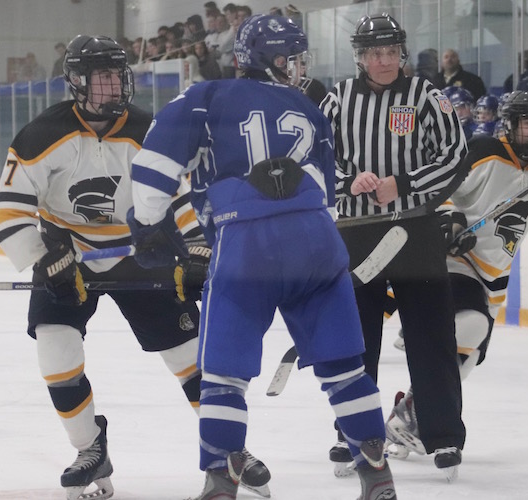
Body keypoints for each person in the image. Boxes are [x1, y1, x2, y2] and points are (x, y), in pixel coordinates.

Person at [128, 15, 397, 500]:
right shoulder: (311, 109)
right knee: (346, 369)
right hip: (318, 244)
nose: (298, 68)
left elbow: (153, 169)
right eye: (292, 59)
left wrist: (148, 225)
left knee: (223, 376)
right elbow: (326, 199)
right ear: (271, 61)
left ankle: (220, 477)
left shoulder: (205, 96)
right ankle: (375, 469)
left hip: (246, 244)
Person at [0, 34, 269, 500]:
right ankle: (89, 448)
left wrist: (198, 246)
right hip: (67, 254)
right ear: (77, 82)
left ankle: (229, 448)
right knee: (56, 350)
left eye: (118, 76)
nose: (115, 85)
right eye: (103, 77)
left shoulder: (149, 130)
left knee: (189, 356)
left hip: (142, 251)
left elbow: (180, 197)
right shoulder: (41, 135)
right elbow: (9, 213)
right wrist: (44, 259)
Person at [384, 91, 528, 459]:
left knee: (466, 360)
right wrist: (451, 220)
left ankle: (409, 415)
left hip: (492, 282)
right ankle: (416, 406)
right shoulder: (484, 150)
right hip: (452, 261)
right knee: (472, 325)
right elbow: (437, 186)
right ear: (510, 124)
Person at [320, 12, 468, 481]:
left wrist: (401, 184)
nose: (383, 61)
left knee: (432, 337)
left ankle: (443, 435)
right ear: (360, 57)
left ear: (401, 52)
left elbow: (455, 156)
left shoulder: (427, 96)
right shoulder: (338, 99)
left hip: (416, 231)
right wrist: (348, 182)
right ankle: (354, 432)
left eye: (390, 52)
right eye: (373, 53)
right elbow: (314, 157)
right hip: (356, 234)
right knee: (355, 340)